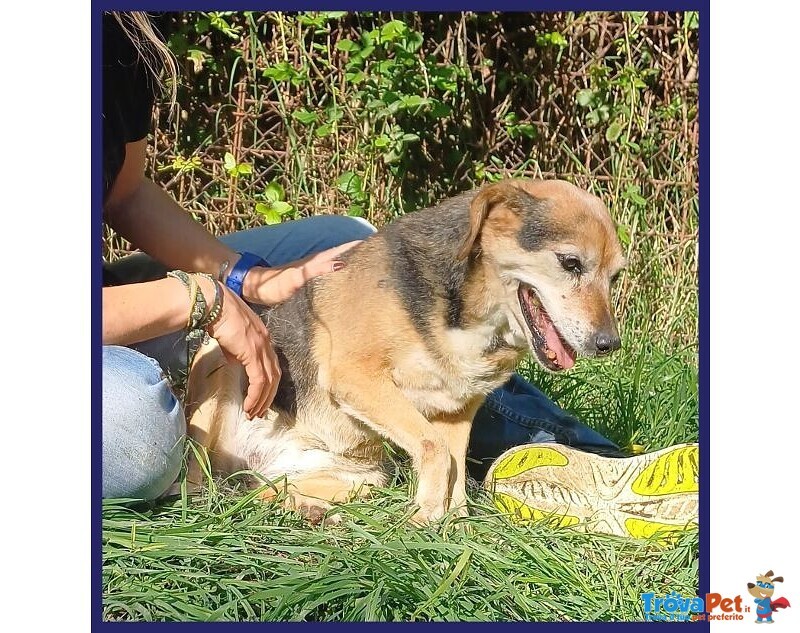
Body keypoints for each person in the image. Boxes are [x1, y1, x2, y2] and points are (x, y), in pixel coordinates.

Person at [102, 12, 696, 538]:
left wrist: (244, 279)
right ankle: (494, 457)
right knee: (134, 423)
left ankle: (573, 460)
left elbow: (125, 196)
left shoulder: (126, 39)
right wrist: (199, 296)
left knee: (348, 243)